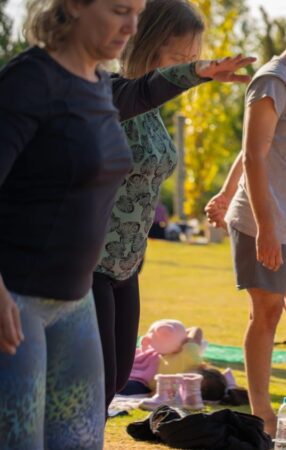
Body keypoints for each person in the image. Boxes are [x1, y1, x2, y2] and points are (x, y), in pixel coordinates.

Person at [92, 0, 255, 414]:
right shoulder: (109, 94)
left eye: (192, 59)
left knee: (114, 378)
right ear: (147, 43)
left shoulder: (153, 112)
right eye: (180, 58)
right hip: (91, 263)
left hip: (128, 267)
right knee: (94, 381)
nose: (187, 67)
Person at [0, 0, 143, 446]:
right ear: (75, 5)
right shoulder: (29, 81)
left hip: (75, 304)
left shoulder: (99, 83)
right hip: (16, 302)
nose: (131, 26)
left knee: (81, 442)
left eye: (138, 12)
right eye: (120, 10)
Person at [207, 0, 286, 441]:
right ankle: (262, 415)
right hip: (264, 224)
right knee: (265, 314)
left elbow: (253, 153)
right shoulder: (272, 81)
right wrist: (265, 226)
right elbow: (255, 154)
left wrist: (225, 192)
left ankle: (263, 407)